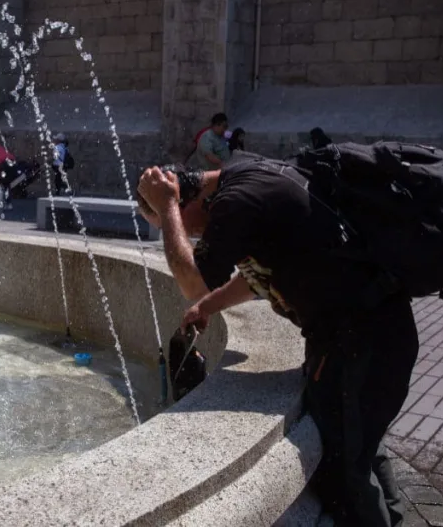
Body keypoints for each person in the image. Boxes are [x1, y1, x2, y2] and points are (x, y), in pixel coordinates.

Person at [136, 157, 417, 527]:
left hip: (357, 343)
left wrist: (166, 206)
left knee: (345, 470)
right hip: (365, 335)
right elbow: (259, 274)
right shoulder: (246, 177)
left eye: (175, 226)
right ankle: (394, 517)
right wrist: (209, 305)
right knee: (360, 441)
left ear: (185, 200)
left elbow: (191, 281)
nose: (185, 237)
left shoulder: (235, 202)